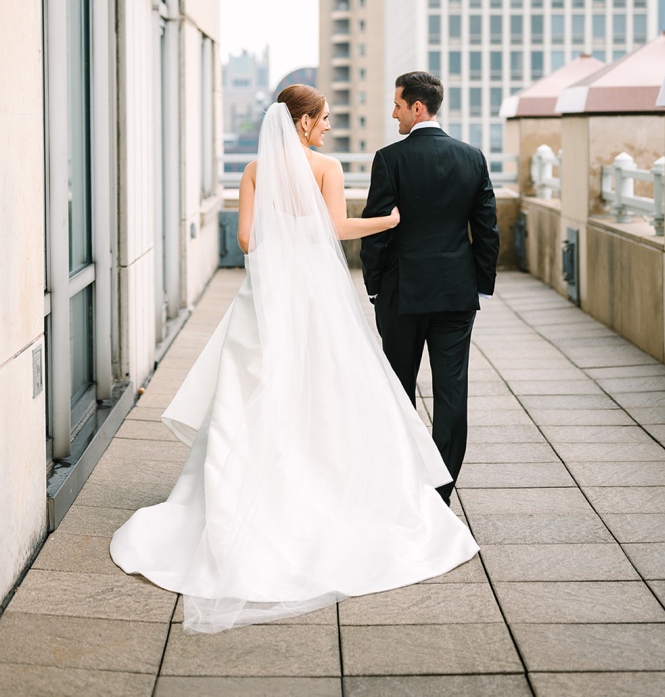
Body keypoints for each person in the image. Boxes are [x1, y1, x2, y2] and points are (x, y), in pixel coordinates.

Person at [110, 85, 480, 634]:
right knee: (327, 388)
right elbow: (335, 229)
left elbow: (246, 240)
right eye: (325, 118)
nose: (329, 126)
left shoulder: (255, 171)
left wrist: (280, 239)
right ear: (303, 123)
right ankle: (324, 488)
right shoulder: (326, 167)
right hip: (314, 298)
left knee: (252, 393)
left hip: (267, 299)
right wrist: (388, 222)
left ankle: (243, 493)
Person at [361, 71, 499, 506]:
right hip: (457, 294)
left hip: (402, 294)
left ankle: (403, 481)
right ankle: (441, 492)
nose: (394, 112)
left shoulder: (389, 159)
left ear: (417, 107)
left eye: (398, 104)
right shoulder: (472, 157)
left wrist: (374, 285)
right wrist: (480, 287)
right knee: (451, 392)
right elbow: (487, 230)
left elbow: (376, 229)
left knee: (399, 389)